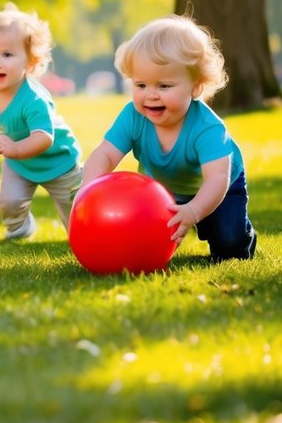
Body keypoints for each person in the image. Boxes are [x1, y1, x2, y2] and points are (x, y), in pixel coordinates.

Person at [81, 15, 256, 261]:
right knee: (141, 242)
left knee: (228, 244)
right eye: (141, 85)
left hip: (220, 185)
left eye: (164, 86)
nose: (151, 95)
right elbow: (105, 154)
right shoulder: (133, 116)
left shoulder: (208, 129)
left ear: (195, 87)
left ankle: (243, 234)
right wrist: (89, 190)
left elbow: (217, 178)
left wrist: (194, 211)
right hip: (164, 188)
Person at [0, 5, 82, 240]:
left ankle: (81, 234)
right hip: (19, 165)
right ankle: (19, 227)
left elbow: (44, 137)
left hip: (59, 163)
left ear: (31, 61)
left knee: (75, 212)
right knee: (9, 202)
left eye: (7, 55)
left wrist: (14, 148)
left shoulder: (33, 99)